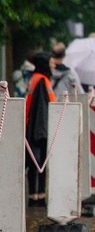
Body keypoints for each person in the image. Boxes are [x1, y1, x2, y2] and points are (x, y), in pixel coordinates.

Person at [25, 52, 57, 206]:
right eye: (51, 62)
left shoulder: (35, 79)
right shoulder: (42, 81)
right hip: (40, 129)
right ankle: (39, 196)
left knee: (33, 163)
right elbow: (43, 109)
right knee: (40, 162)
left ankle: (33, 195)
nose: (53, 65)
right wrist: (43, 133)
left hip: (31, 126)